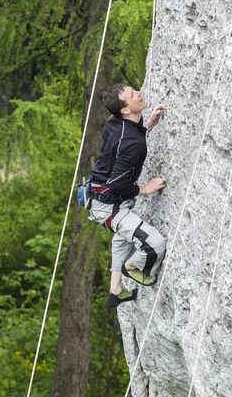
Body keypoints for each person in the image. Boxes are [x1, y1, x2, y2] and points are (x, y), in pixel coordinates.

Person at [87, 83, 167, 307]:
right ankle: (132, 268)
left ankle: (115, 289)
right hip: (108, 204)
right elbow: (116, 183)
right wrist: (145, 189)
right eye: (133, 95)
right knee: (154, 244)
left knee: (124, 236)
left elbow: (124, 142)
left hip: (100, 197)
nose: (139, 93)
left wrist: (147, 125)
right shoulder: (134, 142)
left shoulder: (115, 122)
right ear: (124, 110)